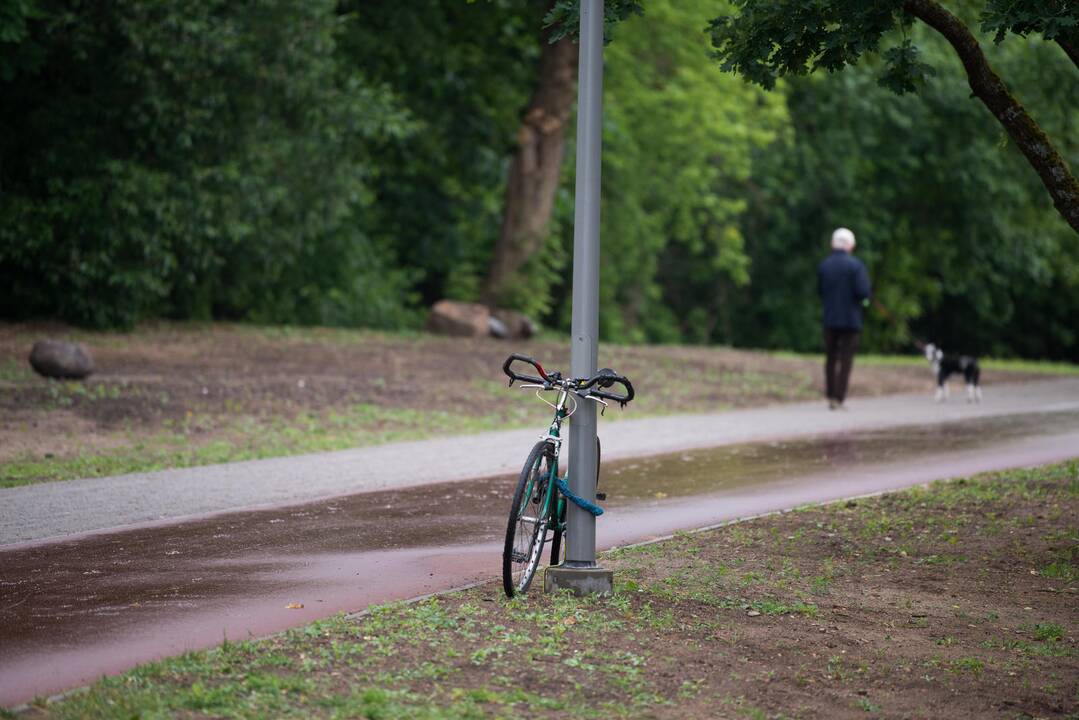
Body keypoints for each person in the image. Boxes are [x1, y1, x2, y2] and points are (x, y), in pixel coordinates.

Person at [818, 227, 871, 410]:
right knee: (846, 359)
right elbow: (863, 292)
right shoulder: (856, 266)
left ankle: (831, 395)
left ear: (833, 243)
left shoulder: (824, 265)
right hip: (850, 320)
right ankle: (840, 398)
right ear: (850, 245)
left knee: (831, 357)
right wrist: (865, 301)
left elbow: (820, 291)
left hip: (830, 319)